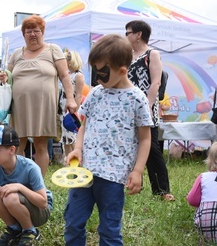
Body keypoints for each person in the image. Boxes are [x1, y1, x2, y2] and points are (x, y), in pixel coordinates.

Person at [63, 34, 152, 245]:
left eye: (102, 73)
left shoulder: (137, 98)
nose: (97, 78)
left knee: (109, 229)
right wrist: (78, 149)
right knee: (73, 222)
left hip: (114, 177)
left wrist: (138, 170)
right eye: (95, 71)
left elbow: (145, 139)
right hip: (84, 172)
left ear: (122, 71)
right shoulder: (95, 93)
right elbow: (84, 125)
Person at [7, 15, 77, 177]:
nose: (32, 34)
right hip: (19, 107)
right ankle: (17, 179)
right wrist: (3, 77)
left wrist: (71, 99)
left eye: (36, 31)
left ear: (42, 32)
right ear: (23, 35)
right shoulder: (16, 54)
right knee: (16, 145)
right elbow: (8, 77)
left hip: (44, 106)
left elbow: (65, 76)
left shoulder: (53, 49)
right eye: (28, 31)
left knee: (41, 146)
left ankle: (38, 184)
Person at [125, 20, 175, 201]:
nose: (126, 36)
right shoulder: (125, 55)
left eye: (128, 32)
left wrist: (147, 106)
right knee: (128, 147)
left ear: (138, 34)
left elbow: (156, 82)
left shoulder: (151, 54)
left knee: (152, 150)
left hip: (147, 108)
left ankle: (162, 190)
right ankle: (132, 185)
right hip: (126, 109)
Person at [187, 142, 217, 244]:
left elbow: (192, 200)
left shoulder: (203, 177)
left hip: (208, 226)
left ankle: (205, 239)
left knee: (200, 206)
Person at [59, 50, 85, 158]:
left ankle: (77, 158)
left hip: (71, 109)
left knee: (72, 135)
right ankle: (67, 158)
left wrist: (75, 111)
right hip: (63, 107)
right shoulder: (68, 75)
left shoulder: (78, 76)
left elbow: (79, 95)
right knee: (65, 136)